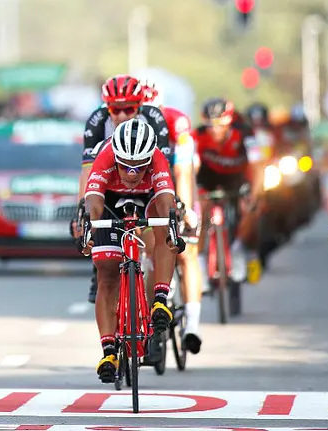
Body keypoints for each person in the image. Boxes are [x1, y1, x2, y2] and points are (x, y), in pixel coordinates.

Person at [80, 119, 182, 383]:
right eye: (126, 166)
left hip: (147, 200)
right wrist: (90, 227)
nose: (133, 173)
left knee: (164, 231)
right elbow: (93, 201)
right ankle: (109, 351)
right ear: (116, 156)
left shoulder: (157, 158)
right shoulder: (106, 154)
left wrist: (173, 227)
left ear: (150, 157)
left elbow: (165, 200)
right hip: (110, 201)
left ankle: (160, 299)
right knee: (107, 271)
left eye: (140, 166)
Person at [76, 74, 171, 304]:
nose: (120, 116)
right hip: (110, 186)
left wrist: (174, 206)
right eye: (114, 110)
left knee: (156, 239)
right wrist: (82, 214)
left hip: (147, 184)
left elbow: (167, 170)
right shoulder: (97, 121)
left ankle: (157, 298)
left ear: (139, 106)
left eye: (128, 110)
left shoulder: (154, 118)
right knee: (96, 219)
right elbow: (89, 174)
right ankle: (101, 272)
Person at [138, 78, 203, 353]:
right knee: (151, 248)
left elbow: (183, 172)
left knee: (187, 253)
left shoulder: (177, 122)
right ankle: (153, 313)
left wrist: (185, 210)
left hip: (175, 184)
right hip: (145, 189)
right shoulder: (130, 126)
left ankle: (193, 326)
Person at [192, 98, 255, 283]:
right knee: (200, 211)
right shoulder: (198, 135)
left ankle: (238, 248)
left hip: (237, 177)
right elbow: (190, 168)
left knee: (250, 209)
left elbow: (257, 164)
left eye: (220, 124)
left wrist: (255, 193)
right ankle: (201, 261)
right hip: (208, 177)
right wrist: (194, 195)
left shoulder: (244, 133)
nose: (215, 129)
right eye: (210, 124)